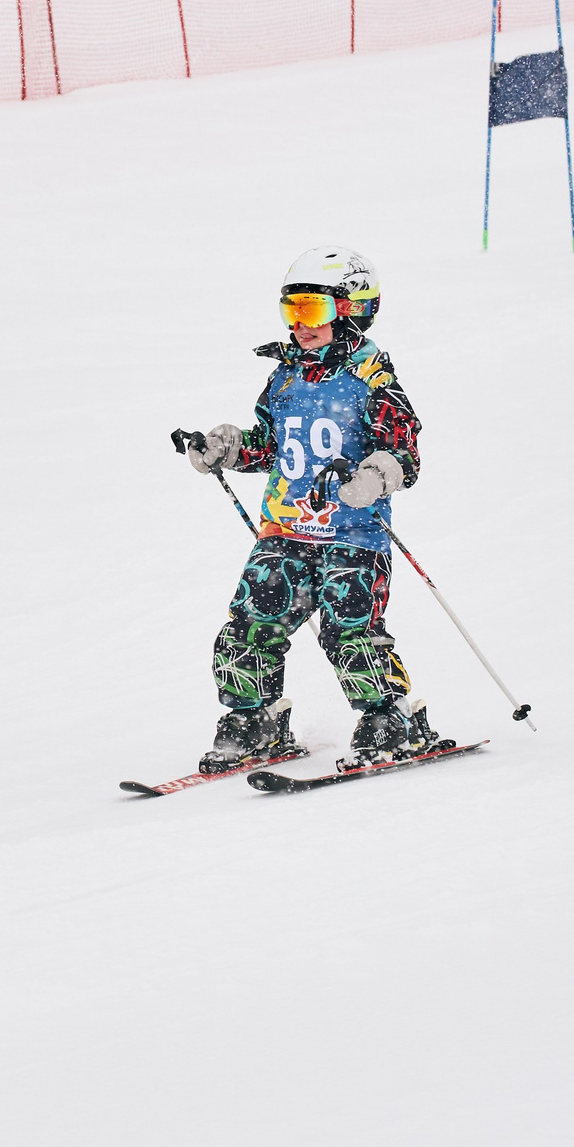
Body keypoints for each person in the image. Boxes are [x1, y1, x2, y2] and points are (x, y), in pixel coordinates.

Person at [178, 247, 438, 774]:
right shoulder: (285, 379)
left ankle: (390, 717)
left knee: (349, 628)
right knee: (250, 625)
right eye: (290, 311)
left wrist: (374, 475)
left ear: (351, 311)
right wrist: (224, 449)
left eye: (312, 312)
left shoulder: (370, 378)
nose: (300, 325)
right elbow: (267, 445)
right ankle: (257, 720)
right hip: (285, 530)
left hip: (352, 535)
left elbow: (405, 450)